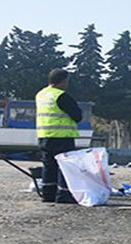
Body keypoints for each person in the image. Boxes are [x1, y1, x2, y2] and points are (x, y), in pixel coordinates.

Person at [35, 68, 83, 203]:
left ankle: (48, 194)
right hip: (62, 136)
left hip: (44, 135)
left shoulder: (41, 95)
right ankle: (63, 195)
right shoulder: (61, 96)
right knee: (65, 166)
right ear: (63, 81)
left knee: (49, 166)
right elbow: (77, 115)